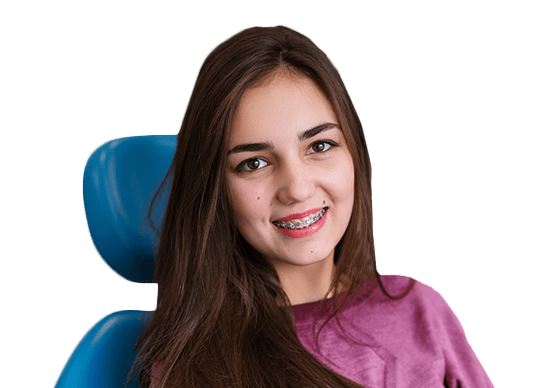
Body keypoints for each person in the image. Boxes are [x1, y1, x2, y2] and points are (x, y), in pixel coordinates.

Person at [126, 25, 494, 388]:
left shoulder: (421, 309)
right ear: (215, 192)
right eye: (253, 163)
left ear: (355, 153)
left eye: (319, 146)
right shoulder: (197, 368)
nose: (298, 190)